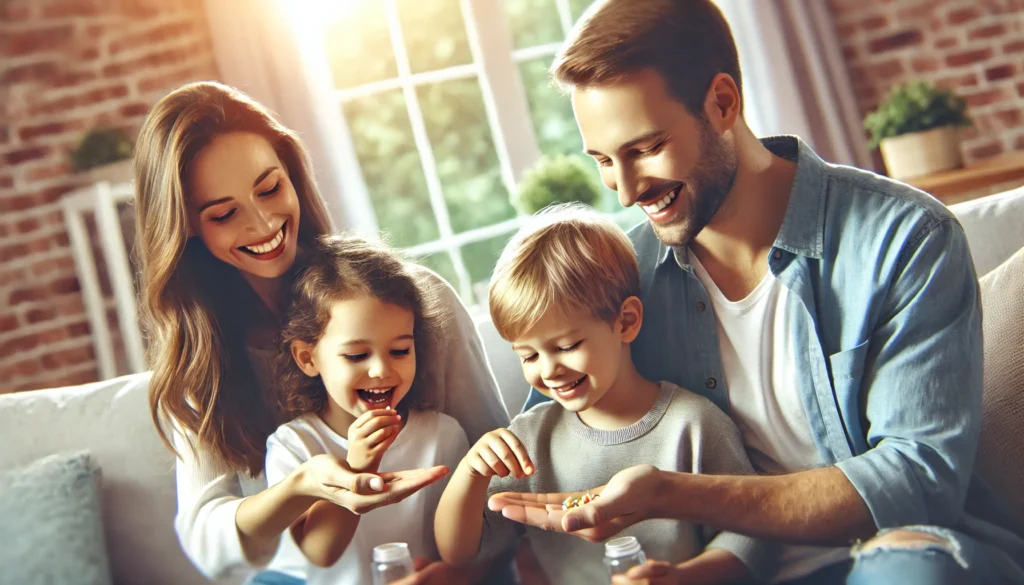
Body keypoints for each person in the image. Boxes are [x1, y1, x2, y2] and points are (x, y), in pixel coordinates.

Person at [487, 1, 1024, 584]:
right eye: (603, 161)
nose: (624, 191)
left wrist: (682, 495)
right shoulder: (619, 273)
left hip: (900, 556)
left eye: (644, 149)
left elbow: (917, 484)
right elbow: (551, 440)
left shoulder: (903, 239)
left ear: (723, 102)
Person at [133, 81, 509, 585]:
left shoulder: (419, 304)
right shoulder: (202, 362)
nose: (264, 222)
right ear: (187, 229)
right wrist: (303, 487)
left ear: (293, 175)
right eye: (224, 214)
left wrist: (456, 575)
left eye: (270, 188)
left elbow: (503, 474)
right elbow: (209, 541)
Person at [434, 205, 778, 584]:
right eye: (529, 355)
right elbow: (459, 552)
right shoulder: (531, 440)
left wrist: (683, 577)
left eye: (567, 346)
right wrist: (470, 472)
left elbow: (753, 535)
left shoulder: (694, 425)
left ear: (626, 322)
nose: (549, 370)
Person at [263, 234, 488, 584]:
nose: (382, 370)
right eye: (356, 356)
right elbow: (319, 554)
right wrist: (359, 465)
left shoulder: (442, 434)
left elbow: (461, 552)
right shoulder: (295, 447)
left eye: (400, 351)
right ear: (308, 358)